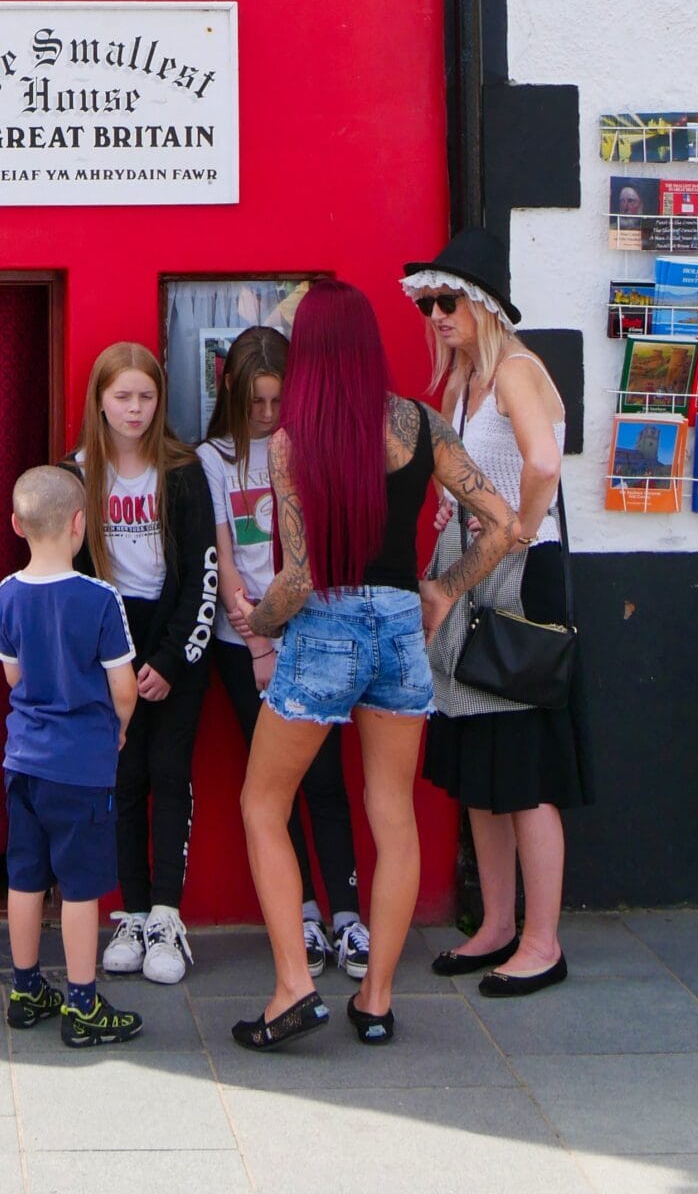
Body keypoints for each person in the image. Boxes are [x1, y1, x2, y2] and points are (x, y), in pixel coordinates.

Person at [235, 278, 516, 1051]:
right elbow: (502, 522)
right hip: (398, 630)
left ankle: (294, 985)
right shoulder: (420, 424)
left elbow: (295, 579)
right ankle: (377, 999)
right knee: (391, 815)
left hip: (323, 627)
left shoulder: (295, 438)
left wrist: (255, 622)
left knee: (263, 804)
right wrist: (441, 590)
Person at [408, 229, 590, 998]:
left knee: (525, 765)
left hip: (518, 578)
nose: (437, 314)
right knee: (480, 763)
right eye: (428, 302)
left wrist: (515, 527)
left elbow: (544, 463)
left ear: (481, 304)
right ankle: (495, 924)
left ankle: (542, 941)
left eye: (448, 301)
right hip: (472, 571)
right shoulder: (462, 382)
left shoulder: (514, 369)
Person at [199, 327, 368, 981]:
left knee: (327, 779)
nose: (268, 416)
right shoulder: (215, 459)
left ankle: (347, 917)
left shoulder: (309, 448)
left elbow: (324, 550)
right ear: (232, 391)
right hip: (244, 644)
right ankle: (300, 913)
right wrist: (259, 644)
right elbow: (226, 562)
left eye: (278, 401)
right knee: (276, 784)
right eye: (257, 403)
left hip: (315, 634)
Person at [69, 342, 216, 987]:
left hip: (173, 637)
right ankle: (127, 914)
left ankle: (165, 915)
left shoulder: (181, 471)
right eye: (122, 396)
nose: (134, 409)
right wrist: (110, 664)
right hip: (112, 640)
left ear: (161, 401)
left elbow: (203, 577)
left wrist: (171, 661)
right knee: (122, 779)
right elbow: (69, 579)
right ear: (100, 399)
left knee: (167, 772)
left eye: (146, 397)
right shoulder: (76, 474)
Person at [0, 463, 143, 1049]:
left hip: (23, 760)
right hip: (81, 765)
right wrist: (119, 728)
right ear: (81, 524)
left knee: (25, 877)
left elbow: (12, 675)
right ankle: (82, 1003)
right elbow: (124, 689)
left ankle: (26, 990)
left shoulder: (6, 592)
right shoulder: (100, 597)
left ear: (16, 524)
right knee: (80, 887)